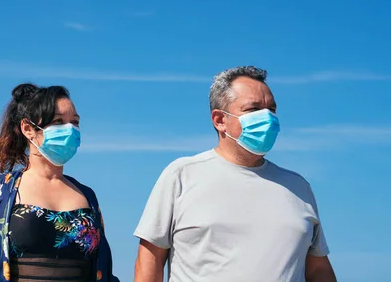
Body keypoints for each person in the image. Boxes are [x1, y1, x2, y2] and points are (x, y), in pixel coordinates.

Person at [133, 66, 337, 282]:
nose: (267, 117)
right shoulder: (181, 175)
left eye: (272, 109)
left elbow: (317, 270)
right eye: (254, 109)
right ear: (220, 120)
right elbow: (150, 261)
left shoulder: (298, 187)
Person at [0, 83, 119, 282]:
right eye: (58, 122)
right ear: (28, 129)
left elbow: (104, 269)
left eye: (74, 123)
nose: (70, 130)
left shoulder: (87, 196)